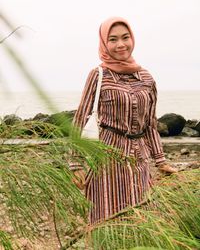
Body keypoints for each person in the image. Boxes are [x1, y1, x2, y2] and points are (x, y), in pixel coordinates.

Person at [69, 16, 177, 225]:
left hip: (140, 160)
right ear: (104, 43)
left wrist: (161, 160)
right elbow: (81, 117)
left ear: (132, 39)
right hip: (106, 157)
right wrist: (75, 164)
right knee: (106, 219)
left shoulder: (147, 78)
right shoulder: (99, 74)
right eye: (113, 39)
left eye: (125, 37)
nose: (120, 44)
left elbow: (150, 125)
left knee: (141, 219)